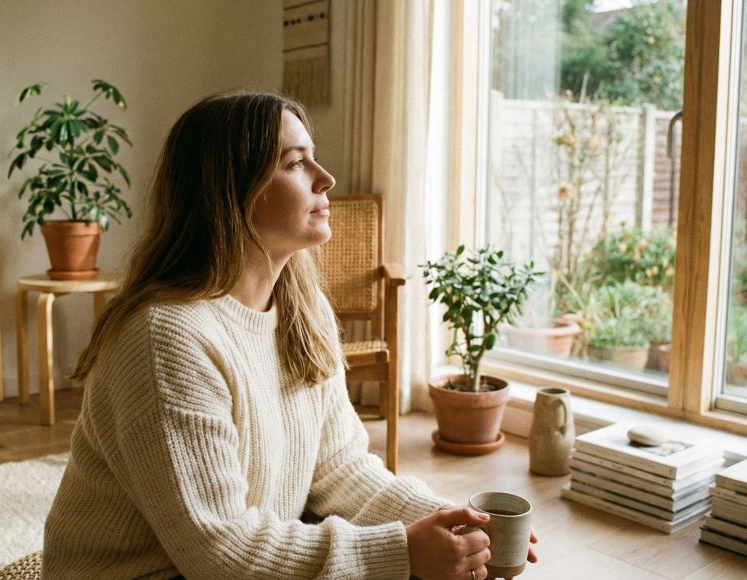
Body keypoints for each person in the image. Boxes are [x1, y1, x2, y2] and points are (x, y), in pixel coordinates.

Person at [42, 91, 536, 579]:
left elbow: (339, 469)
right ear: (232, 192)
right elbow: (220, 552)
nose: (326, 178)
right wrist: (402, 552)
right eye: (296, 163)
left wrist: (452, 521)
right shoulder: (166, 338)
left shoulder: (304, 309)